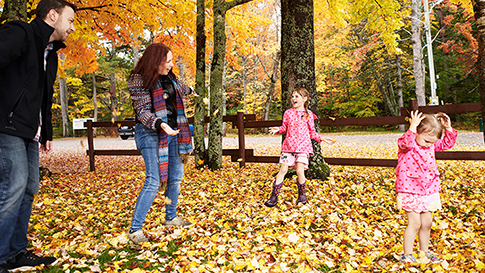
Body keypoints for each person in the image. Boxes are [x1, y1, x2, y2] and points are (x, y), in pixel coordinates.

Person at [0, 0, 76, 272]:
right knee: (13, 185)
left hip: (31, 130)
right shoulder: (21, 33)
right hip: (6, 126)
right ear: (52, 15)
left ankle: (16, 251)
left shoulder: (51, 53)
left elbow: (46, 95)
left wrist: (47, 133)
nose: (72, 27)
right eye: (69, 20)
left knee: (30, 187)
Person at [127, 43, 196, 244]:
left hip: (173, 132)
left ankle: (171, 217)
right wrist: (160, 124)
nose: (171, 65)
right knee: (153, 180)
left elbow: (181, 88)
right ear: (155, 61)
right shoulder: (138, 79)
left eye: (172, 61)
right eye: (167, 61)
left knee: (176, 177)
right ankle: (135, 230)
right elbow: (142, 111)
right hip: (150, 132)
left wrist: (192, 90)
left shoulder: (170, 78)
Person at [395, 110, 457, 263]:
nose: (429, 145)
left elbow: (447, 144)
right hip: (410, 189)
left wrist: (448, 128)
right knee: (415, 223)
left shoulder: (430, 146)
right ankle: (407, 254)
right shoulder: (408, 145)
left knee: (427, 223)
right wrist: (412, 127)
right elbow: (405, 142)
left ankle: (424, 251)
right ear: (416, 132)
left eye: (432, 142)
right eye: (426, 141)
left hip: (428, 189)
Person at [264, 87, 335, 207]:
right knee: (283, 170)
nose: (293, 98)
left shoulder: (308, 115)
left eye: (297, 96)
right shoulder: (288, 113)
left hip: (303, 147)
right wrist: (278, 130)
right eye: (292, 96)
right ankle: (274, 196)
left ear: (305, 99)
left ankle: (302, 195)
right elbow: (284, 129)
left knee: (299, 171)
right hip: (288, 147)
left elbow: (312, 133)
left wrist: (322, 138)